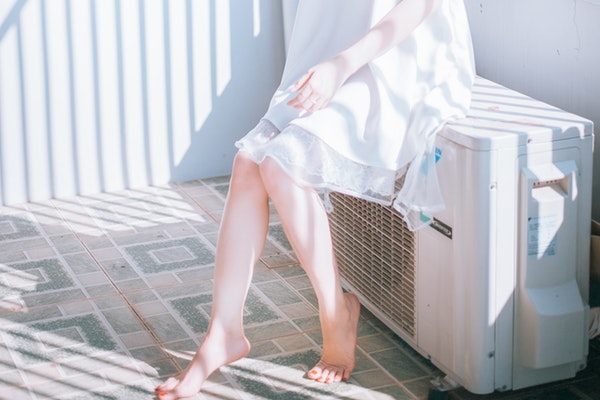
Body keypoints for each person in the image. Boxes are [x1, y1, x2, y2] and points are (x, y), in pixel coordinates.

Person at [155, 0, 475, 398]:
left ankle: (336, 314)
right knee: (247, 164)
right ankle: (223, 332)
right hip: (329, 56)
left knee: (281, 165)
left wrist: (342, 64)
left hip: (399, 61)